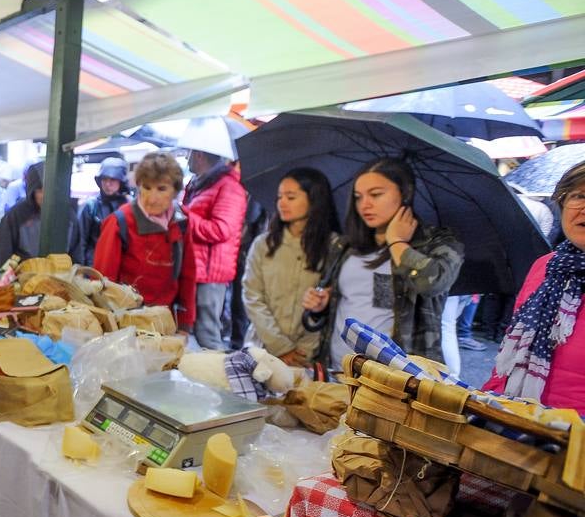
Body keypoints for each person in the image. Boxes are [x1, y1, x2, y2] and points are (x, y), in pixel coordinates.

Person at [302, 157, 464, 368]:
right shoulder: (346, 245)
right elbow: (365, 302)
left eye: (376, 195)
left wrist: (397, 242)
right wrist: (320, 307)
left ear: (405, 193)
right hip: (338, 368)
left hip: (394, 378)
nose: (365, 205)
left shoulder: (437, 241)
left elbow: (431, 284)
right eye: (358, 197)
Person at [484, 162, 585, 408]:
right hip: (517, 423)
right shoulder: (546, 266)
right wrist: (488, 403)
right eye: (579, 196)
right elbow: (510, 352)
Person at [241, 167, 340, 368]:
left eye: (291, 197)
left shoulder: (334, 247)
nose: (282, 203)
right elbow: (252, 296)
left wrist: (304, 350)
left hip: (307, 356)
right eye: (280, 197)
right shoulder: (264, 244)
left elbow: (333, 301)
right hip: (261, 349)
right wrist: (281, 346)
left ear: (314, 199)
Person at [92, 152, 197, 333]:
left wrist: (185, 324)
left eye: (161, 189)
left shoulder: (182, 221)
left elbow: (188, 275)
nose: (152, 198)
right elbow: (102, 282)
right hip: (126, 323)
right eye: (146, 187)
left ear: (175, 191)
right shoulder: (119, 222)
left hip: (165, 320)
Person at [182, 148, 248, 350]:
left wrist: (184, 214)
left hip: (210, 276)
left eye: (189, 153)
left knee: (207, 335)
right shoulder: (197, 184)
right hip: (193, 270)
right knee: (190, 333)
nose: (187, 158)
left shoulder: (229, 187)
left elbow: (222, 229)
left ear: (200, 155)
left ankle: (217, 379)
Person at [0, 162, 80, 267]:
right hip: (24, 278)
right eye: (40, 191)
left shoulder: (69, 215)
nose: (46, 196)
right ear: (32, 191)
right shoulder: (16, 215)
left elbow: (77, 254)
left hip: (61, 279)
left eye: (50, 191)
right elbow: (2, 255)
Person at [76, 157, 130, 266]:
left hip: (122, 265)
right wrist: (80, 268)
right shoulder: (91, 206)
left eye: (112, 180)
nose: (107, 184)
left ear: (121, 181)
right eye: (104, 179)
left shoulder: (129, 206)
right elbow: (81, 241)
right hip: (94, 265)